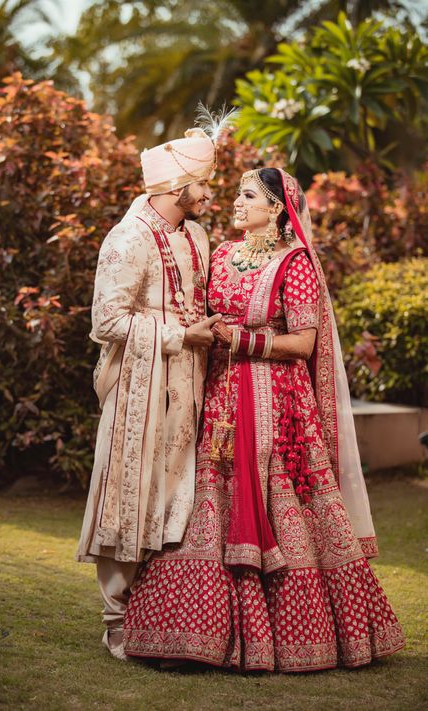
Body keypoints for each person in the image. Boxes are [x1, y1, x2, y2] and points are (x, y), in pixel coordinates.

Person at [122, 167, 405, 672]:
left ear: (276, 208)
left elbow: (304, 341)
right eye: (235, 193)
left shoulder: (295, 263)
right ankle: (189, 632)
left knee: (277, 502)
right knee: (208, 501)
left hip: (276, 406)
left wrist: (242, 340)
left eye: (247, 195)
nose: (235, 201)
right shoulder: (225, 253)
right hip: (219, 400)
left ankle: (290, 635)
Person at [75, 124, 226, 660]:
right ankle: (116, 618)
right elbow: (107, 321)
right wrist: (178, 333)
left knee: (177, 492)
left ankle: (158, 610)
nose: (210, 193)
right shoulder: (129, 237)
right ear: (176, 184)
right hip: (142, 383)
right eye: (203, 184)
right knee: (131, 489)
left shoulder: (196, 235)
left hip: (191, 381)